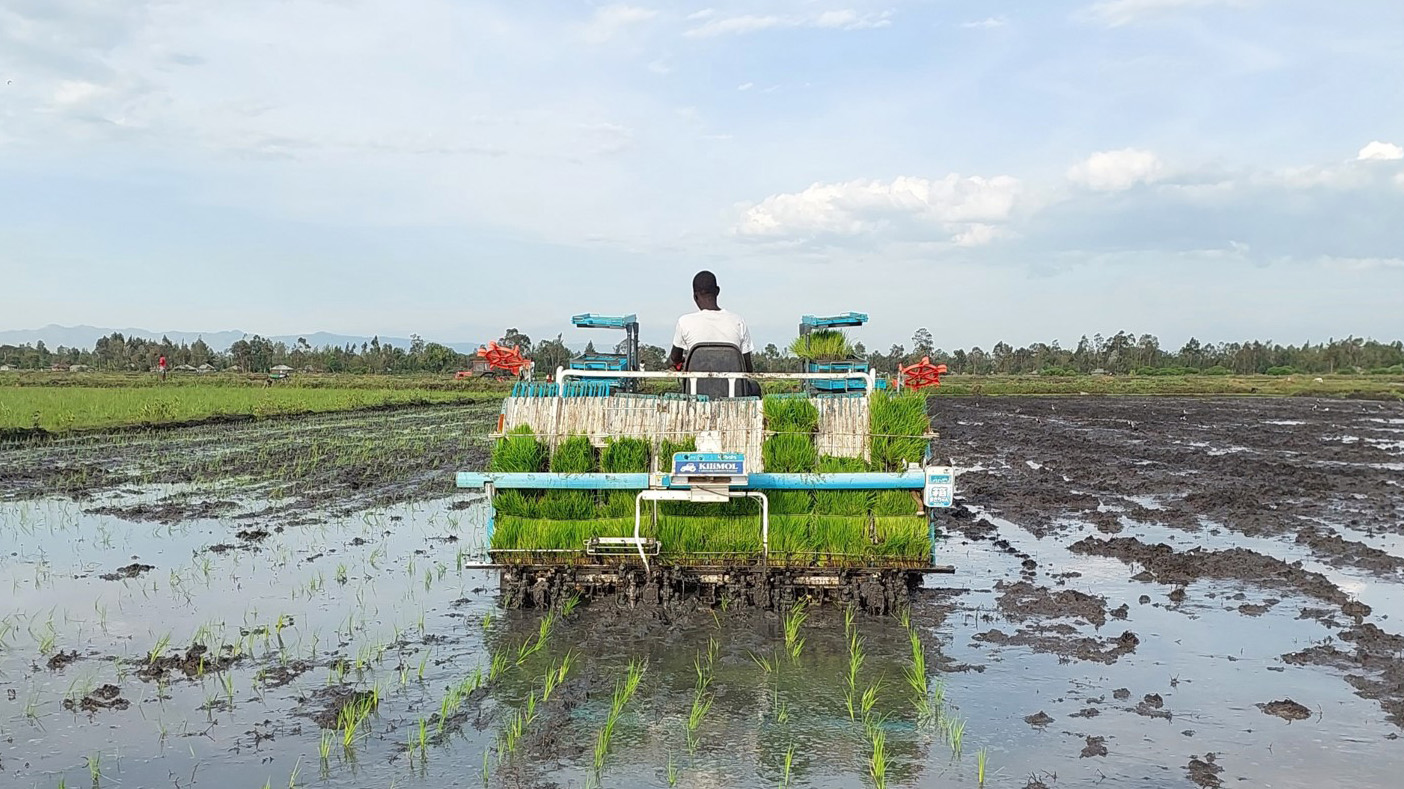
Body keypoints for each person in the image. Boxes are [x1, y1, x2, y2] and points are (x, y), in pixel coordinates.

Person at [669, 270, 754, 372]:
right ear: (717, 291)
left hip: (695, 387)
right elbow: (747, 367)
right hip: (732, 387)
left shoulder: (684, 322)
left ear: (695, 297)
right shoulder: (738, 322)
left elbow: (675, 358)